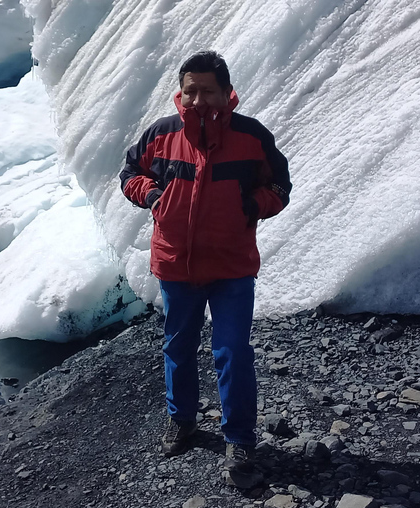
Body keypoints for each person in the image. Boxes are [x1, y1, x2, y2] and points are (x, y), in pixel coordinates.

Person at [119, 51, 292, 473]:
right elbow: (129, 174)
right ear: (180, 91)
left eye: (206, 91)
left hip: (231, 266)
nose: (197, 100)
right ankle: (182, 422)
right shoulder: (161, 134)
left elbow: (280, 185)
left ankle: (240, 439)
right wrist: (154, 196)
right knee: (178, 346)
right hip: (177, 265)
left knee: (232, 351)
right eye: (189, 90)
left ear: (225, 92)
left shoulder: (251, 137)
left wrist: (251, 205)